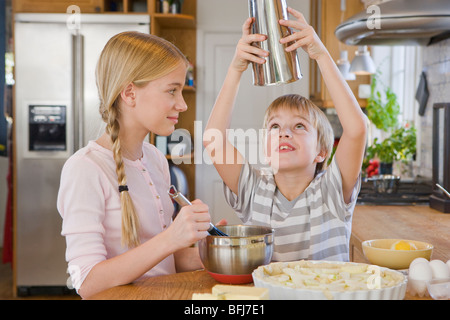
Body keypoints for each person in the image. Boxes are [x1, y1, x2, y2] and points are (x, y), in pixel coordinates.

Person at [203, 8, 367, 262]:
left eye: (299, 126)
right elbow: (213, 139)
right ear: (266, 149)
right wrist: (236, 69)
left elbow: (357, 130)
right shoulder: (254, 190)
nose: (285, 133)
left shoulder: (332, 190)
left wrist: (321, 55)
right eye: (275, 127)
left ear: (322, 151)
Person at [57, 31, 212, 299]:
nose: (183, 104)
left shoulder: (153, 159)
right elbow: (87, 282)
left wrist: (207, 249)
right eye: (172, 90)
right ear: (129, 93)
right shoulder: (85, 169)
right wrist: (171, 238)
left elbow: (164, 263)